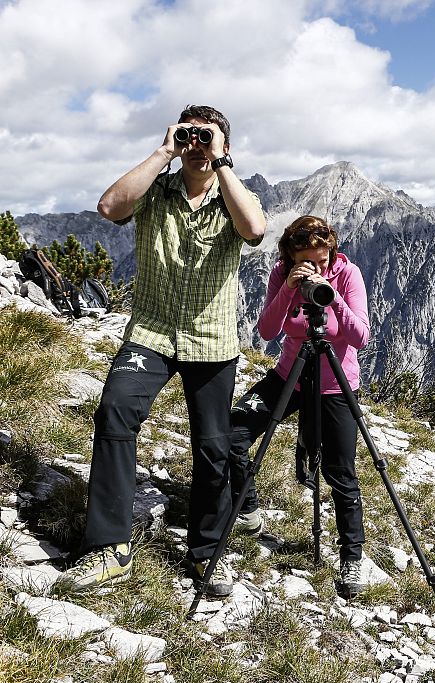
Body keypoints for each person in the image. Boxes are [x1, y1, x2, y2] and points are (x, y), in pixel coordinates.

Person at [59, 104, 266, 596]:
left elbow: (255, 230)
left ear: (226, 146)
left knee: (213, 446)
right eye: (190, 136)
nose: (197, 145)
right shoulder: (156, 191)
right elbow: (109, 208)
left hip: (212, 340)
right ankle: (110, 547)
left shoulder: (237, 194)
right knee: (114, 413)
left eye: (208, 137)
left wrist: (222, 164)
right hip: (150, 333)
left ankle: (205, 553)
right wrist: (163, 151)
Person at [228, 215, 370, 598]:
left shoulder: (348, 273)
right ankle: (249, 513)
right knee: (232, 433)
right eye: (306, 261)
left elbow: (361, 336)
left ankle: (351, 558)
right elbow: (268, 330)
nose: (315, 268)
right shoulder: (282, 274)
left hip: (334, 385)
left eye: (322, 260)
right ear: (291, 257)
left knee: (341, 473)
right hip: (289, 375)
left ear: (331, 253)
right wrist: (289, 290)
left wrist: (331, 293)